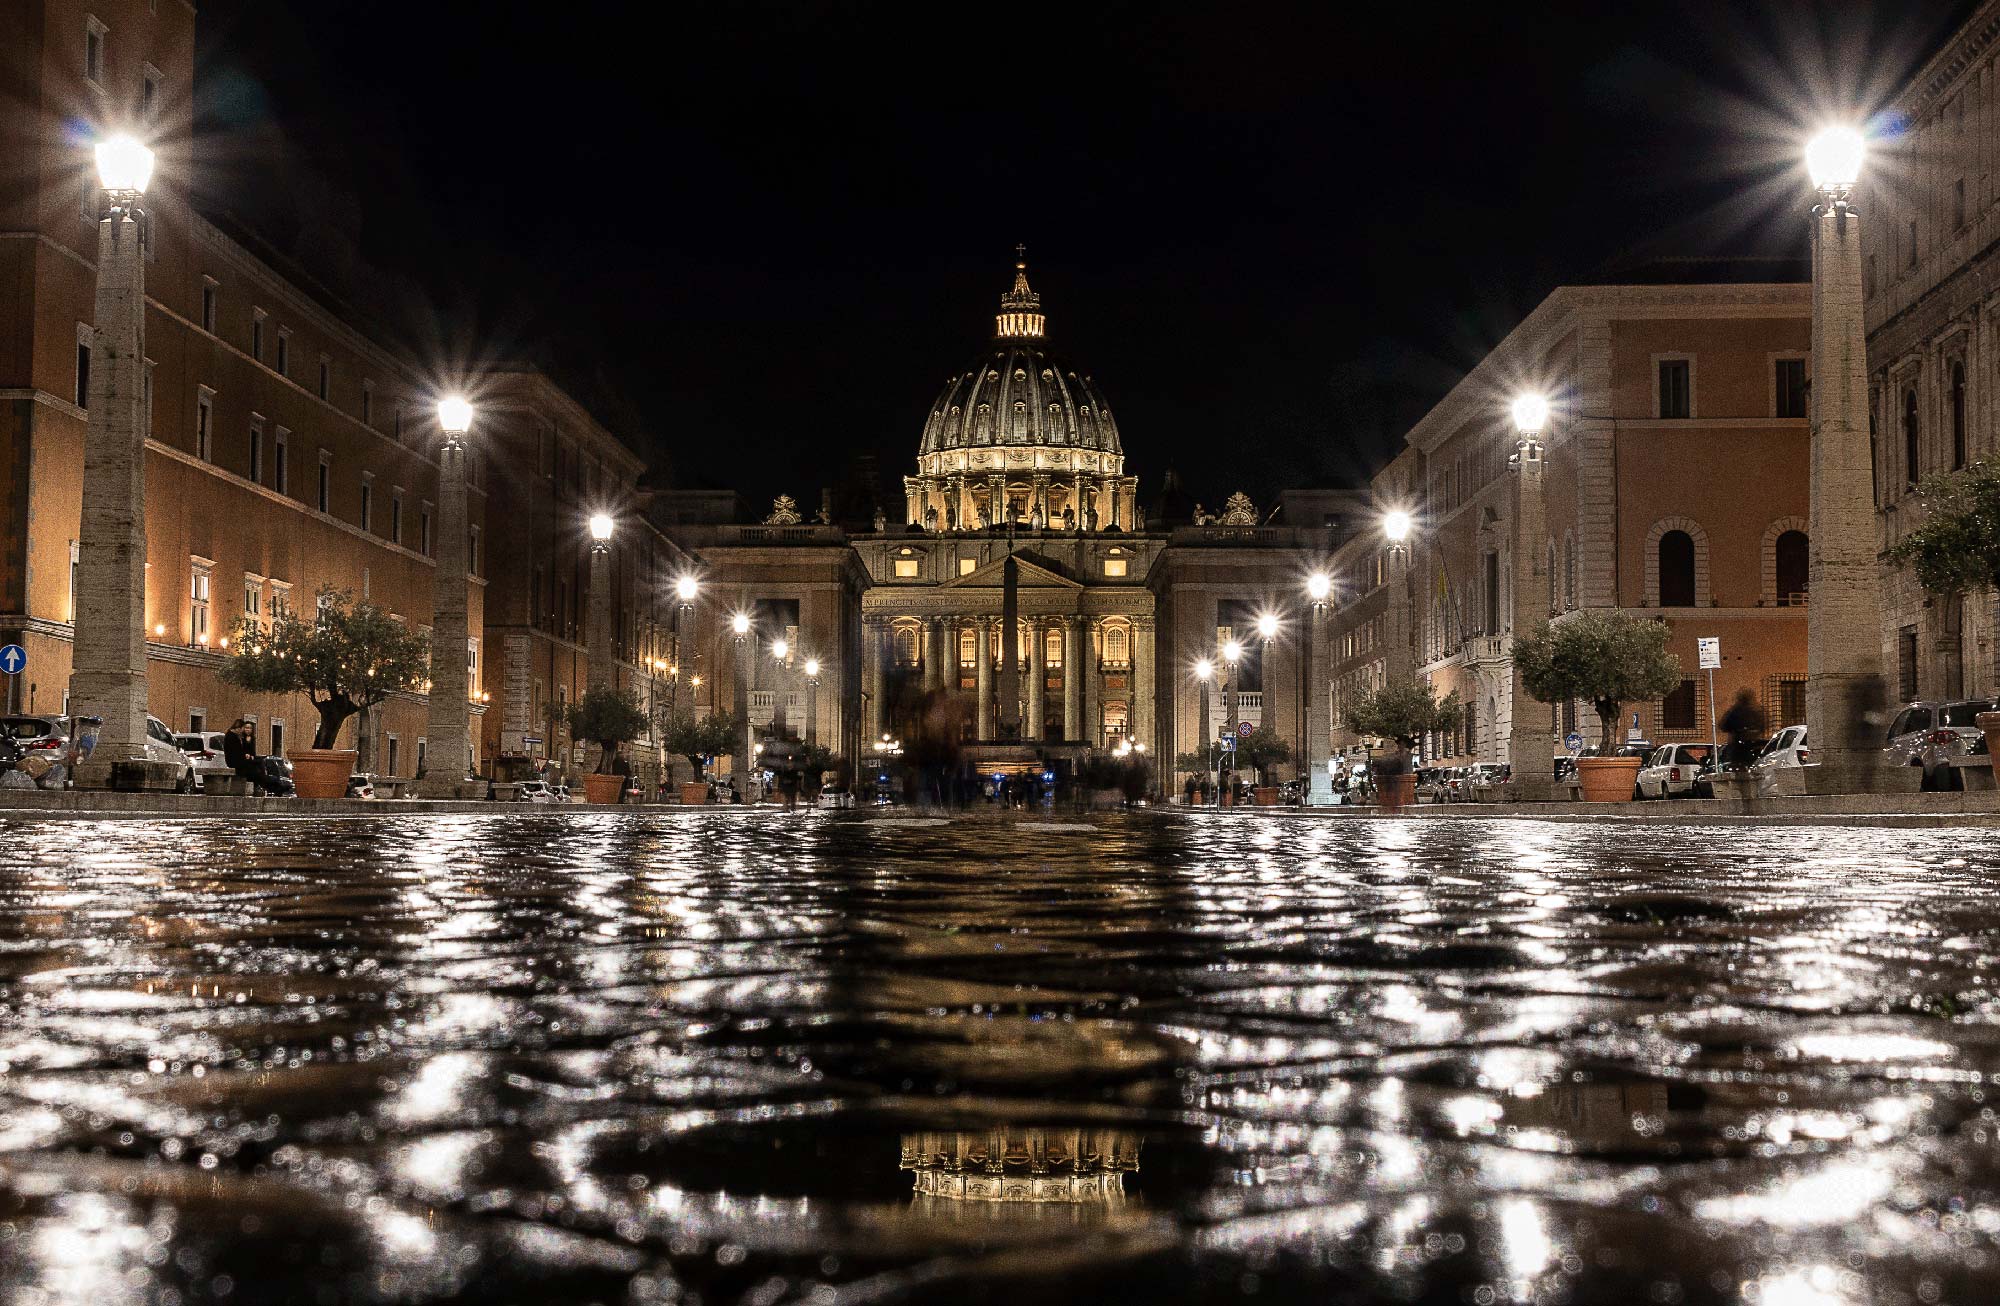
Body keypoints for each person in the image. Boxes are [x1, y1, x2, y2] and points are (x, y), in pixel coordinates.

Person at [223, 719, 280, 794]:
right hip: (235, 762)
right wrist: (246, 755)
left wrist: (247, 755)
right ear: (238, 728)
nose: (243, 731)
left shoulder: (234, 736)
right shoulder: (232, 737)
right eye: (243, 729)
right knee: (255, 770)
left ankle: (263, 782)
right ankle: (264, 783)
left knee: (259, 763)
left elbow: (242, 751)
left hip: (239, 760)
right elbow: (236, 752)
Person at [1718, 690, 1766, 774]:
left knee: (1735, 760)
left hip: (1740, 745)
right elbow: (1764, 724)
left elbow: (1723, 725)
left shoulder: (1735, 711)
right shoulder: (1756, 711)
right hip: (1753, 743)